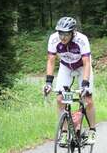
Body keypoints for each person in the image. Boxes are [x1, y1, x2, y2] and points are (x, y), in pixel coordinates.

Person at [43, 16, 96, 145]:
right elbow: (51, 60)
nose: (63, 37)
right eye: (61, 33)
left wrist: (85, 84)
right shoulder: (54, 39)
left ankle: (92, 130)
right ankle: (65, 133)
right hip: (65, 66)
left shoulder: (82, 39)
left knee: (87, 100)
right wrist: (49, 83)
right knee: (60, 99)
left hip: (82, 67)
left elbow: (87, 62)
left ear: (73, 32)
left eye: (66, 34)